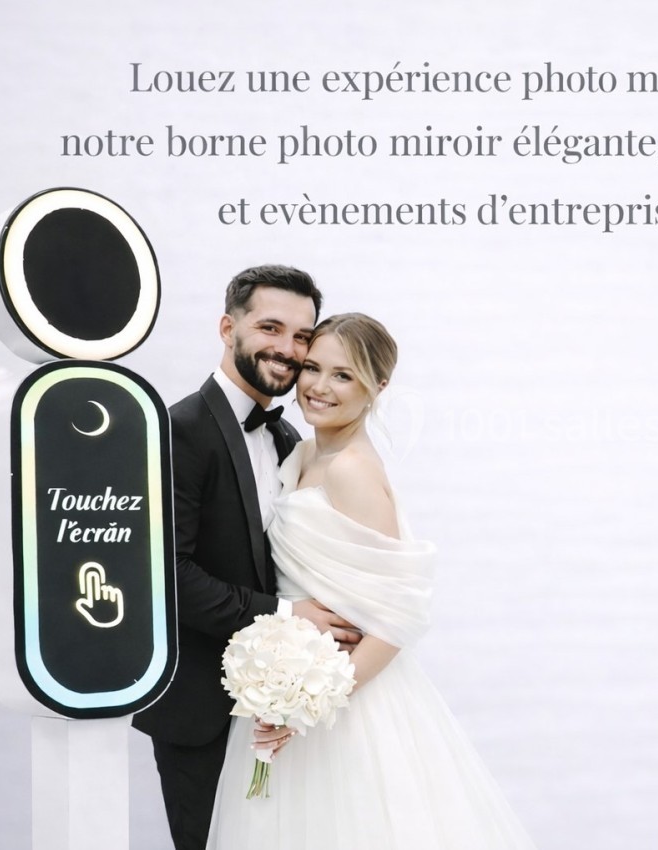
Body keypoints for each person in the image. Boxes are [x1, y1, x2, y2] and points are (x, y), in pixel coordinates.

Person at [206, 313, 537, 849]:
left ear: (377, 387)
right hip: (289, 689)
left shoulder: (350, 469)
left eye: (344, 375)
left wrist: (305, 706)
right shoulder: (306, 451)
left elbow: (395, 618)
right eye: (312, 367)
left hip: (343, 706)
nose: (317, 386)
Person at [132, 265, 361, 850]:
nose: (288, 349)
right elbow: (168, 578)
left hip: (285, 710)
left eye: (302, 336)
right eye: (271, 328)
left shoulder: (291, 439)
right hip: (202, 711)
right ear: (227, 327)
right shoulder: (178, 429)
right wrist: (287, 616)